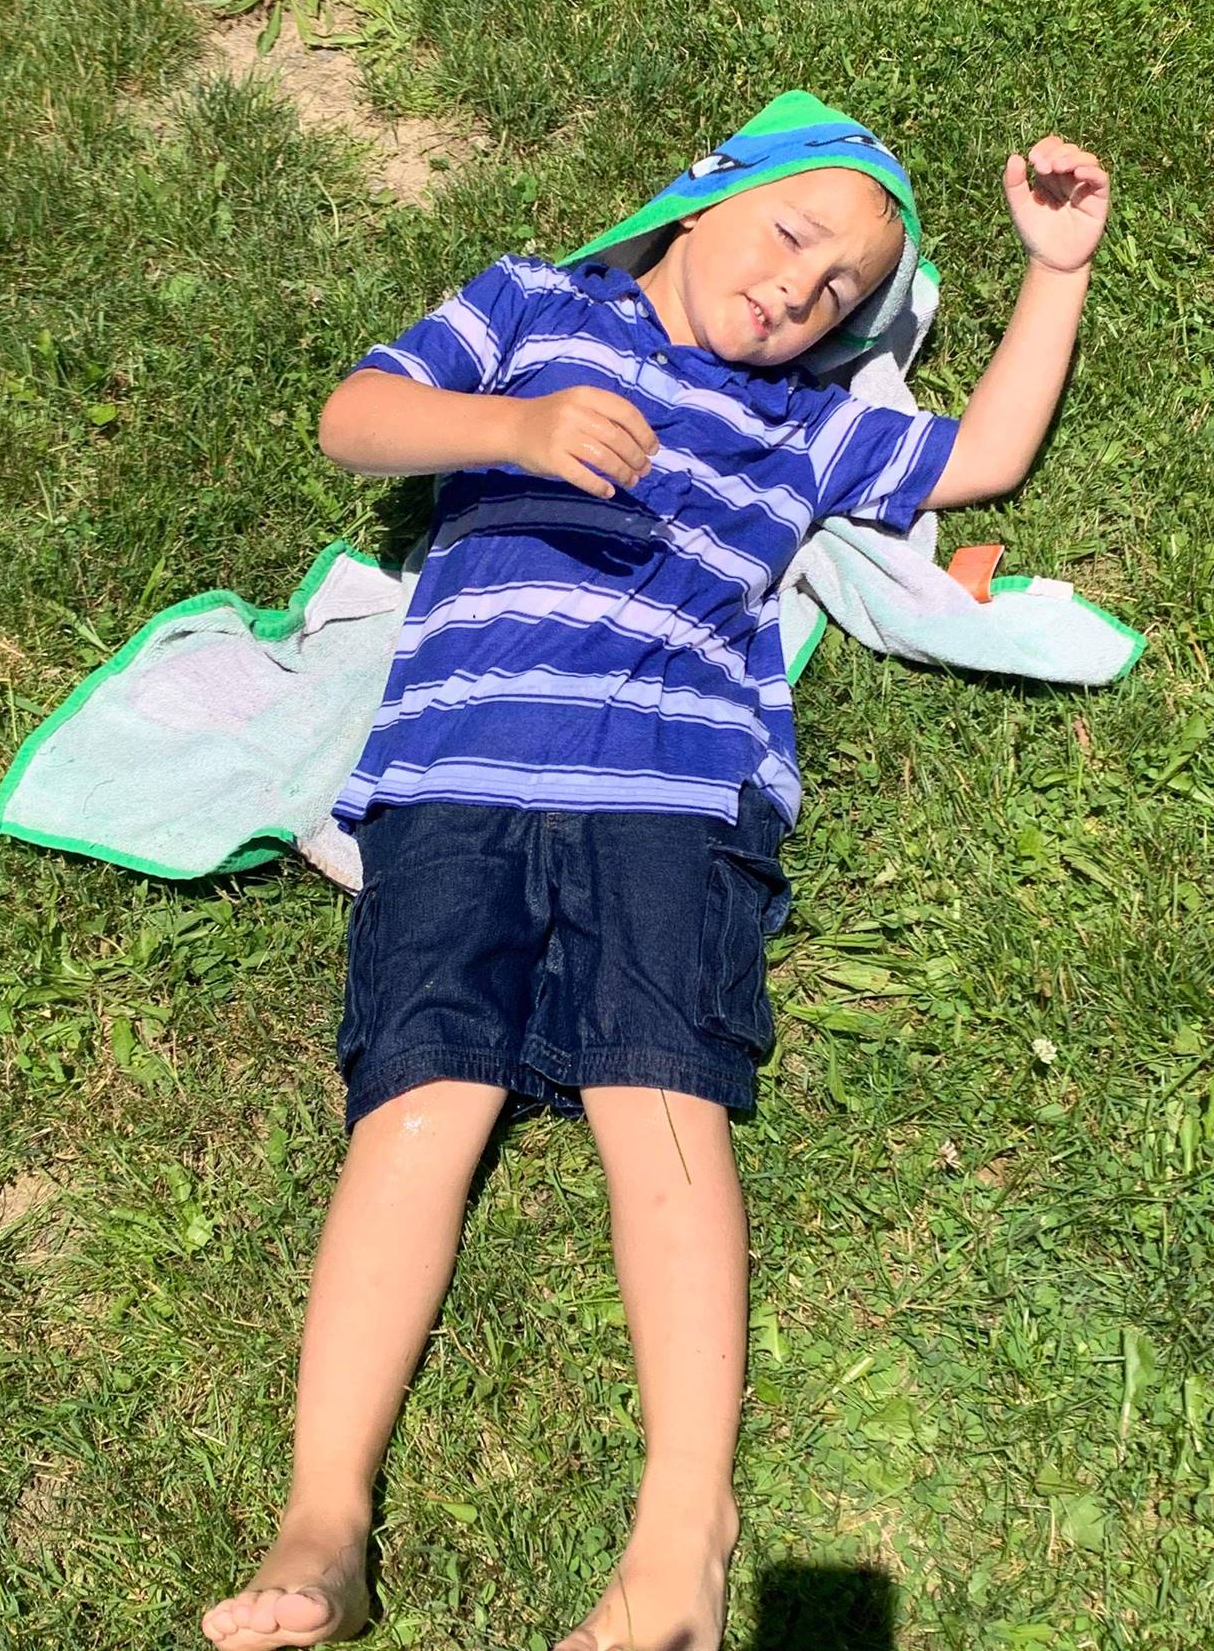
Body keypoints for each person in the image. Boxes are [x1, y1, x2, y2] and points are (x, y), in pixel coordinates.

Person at [201, 95, 1109, 1651]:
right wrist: (509, 427)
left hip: (669, 792)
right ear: (701, 205)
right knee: (416, 1107)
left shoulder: (802, 423)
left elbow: (990, 456)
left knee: (660, 1103)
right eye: (791, 235)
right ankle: (323, 1520)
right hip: (452, 781)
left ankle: (684, 1534)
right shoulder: (535, 307)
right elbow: (357, 419)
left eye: (838, 295)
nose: (799, 291)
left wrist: (1057, 271)